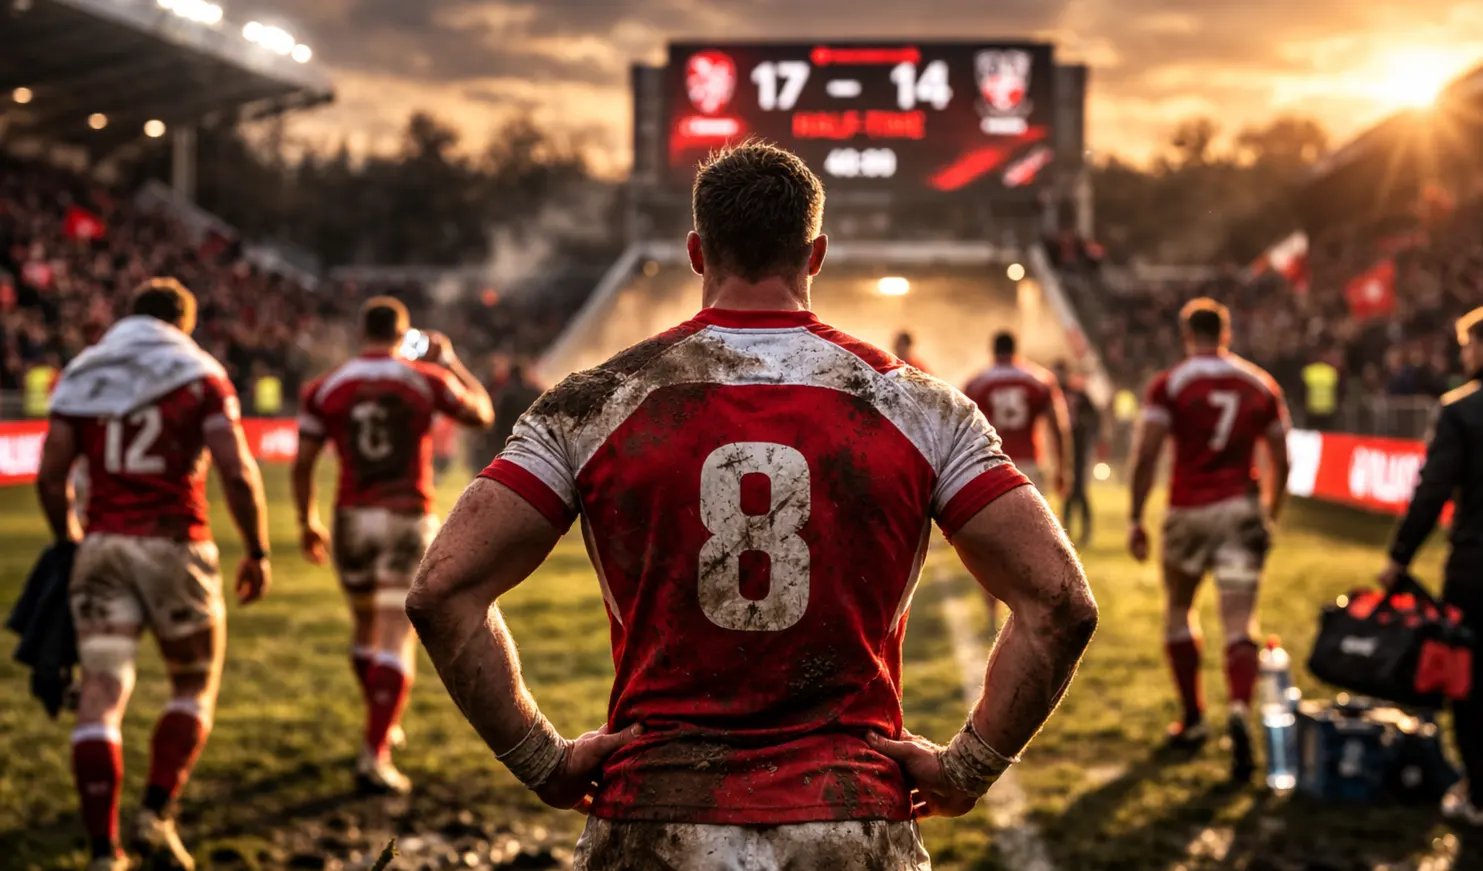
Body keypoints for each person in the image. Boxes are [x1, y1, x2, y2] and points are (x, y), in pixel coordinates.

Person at [405, 142, 1098, 870]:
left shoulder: (593, 401)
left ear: (697, 252)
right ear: (816, 253)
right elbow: (1059, 602)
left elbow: (443, 589)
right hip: (846, 819)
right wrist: (968, 766)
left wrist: (542, 760)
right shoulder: (919, 405)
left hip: (657, 816)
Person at [35, 278, 271, 871]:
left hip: (103, 542)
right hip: (173, 543)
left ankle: (101, 851)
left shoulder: (85, 370)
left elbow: (50, 474)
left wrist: (68, 539)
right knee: (192, 684)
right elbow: (236, 472)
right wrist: (257, 549)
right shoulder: (197, 371)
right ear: (183, 323)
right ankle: (155, 813)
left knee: (101, 696)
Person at [291, 298, 493, 795]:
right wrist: (449, 361)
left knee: (364, 628)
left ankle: (379, 722)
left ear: (363, 332)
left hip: (351, 517)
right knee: (393, 634)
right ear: (403, 335)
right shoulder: (424, 377)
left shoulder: (326, 386)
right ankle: (374, 752)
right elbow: (482, 415)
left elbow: (302, 462)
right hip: (405, 515)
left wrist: (306, 521)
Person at [1128, 298, 1291, 783]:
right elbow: (1283, 455)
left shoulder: (1171, 383)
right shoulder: (1259, 383)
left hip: (1188, 512)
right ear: (1227, 331)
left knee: (1180, 610)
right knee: (1240, 620)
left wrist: (1137, 515)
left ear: (1185, 334)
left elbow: (1147, 453)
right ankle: (1239, 709)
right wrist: (1270, 513)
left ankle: (1195, 718)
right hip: (1241, 509)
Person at [1380, 306, 1483, 825]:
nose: (1465, 356)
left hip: (1474, 571)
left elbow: (1432, 492)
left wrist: (1399, 556)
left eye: (1468, 346)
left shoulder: (1462, 410)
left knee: (1470, 683)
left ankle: (1478, 795)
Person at [962, 332, 1072, 496]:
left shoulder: (976, 384)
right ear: (1015, 349)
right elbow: (1058, 426)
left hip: (993, 462)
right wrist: (1062, 468)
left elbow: (964, 431)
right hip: (1030, 460)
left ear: (993, 350)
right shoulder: (1040, 381)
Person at [1056, 362, 1101, 547]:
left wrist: (1087, 433)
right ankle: (1066, 531)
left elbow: (1095, 417)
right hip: (1064, 447)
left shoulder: (1078, 394)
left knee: (1079, 488)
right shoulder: (1054, 393)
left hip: (1079, 445)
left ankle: (1084, 531)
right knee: (1067, 489)